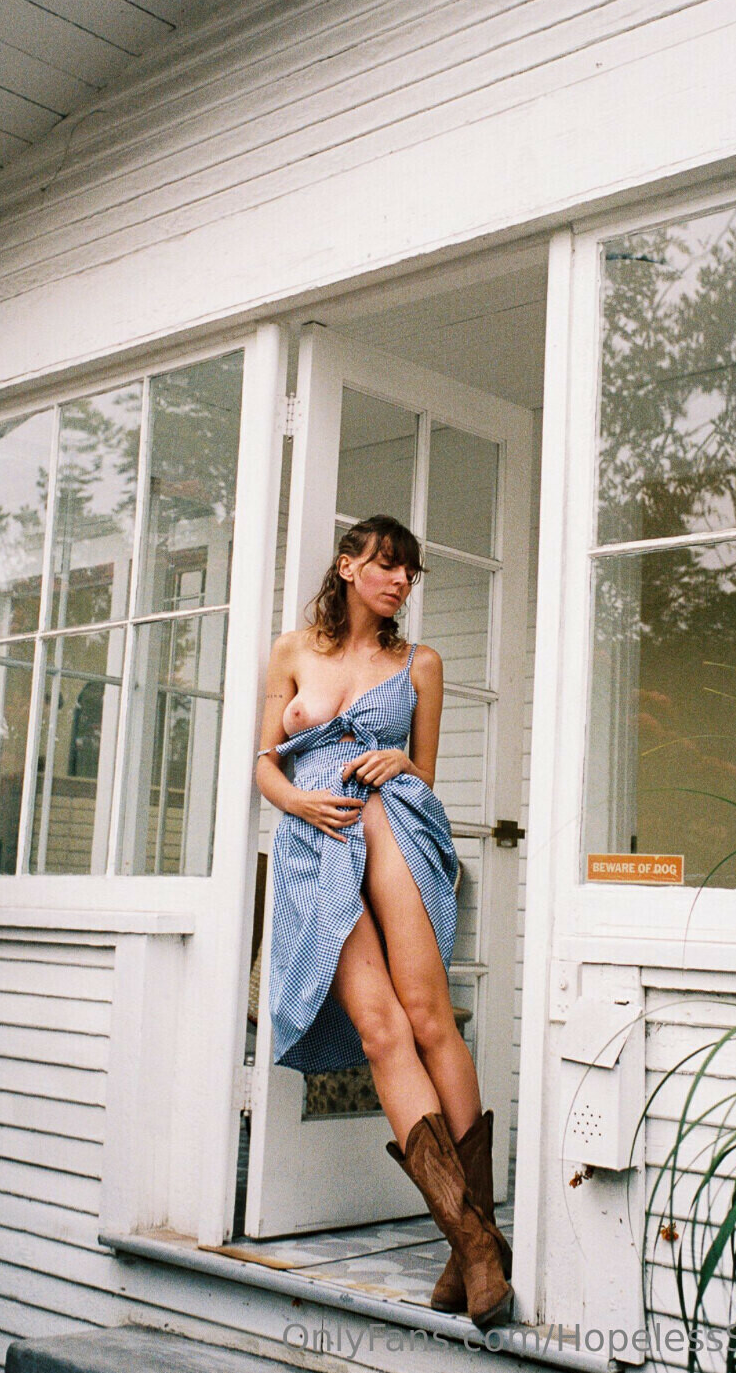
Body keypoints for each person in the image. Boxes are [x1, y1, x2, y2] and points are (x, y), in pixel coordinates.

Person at [255, 514, 513, 1329]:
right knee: (380, 1030)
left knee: (429, 1017)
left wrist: (401, 760)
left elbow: (424, 772)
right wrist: (298, 800)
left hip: (392, 829)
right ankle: (474, 1243)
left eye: (410, 571)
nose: (400, 581)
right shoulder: (292, 650)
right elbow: (265, 762)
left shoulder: (419, 663)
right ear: (348, 565)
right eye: (386, 565)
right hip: (314, 844)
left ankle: (472, 1250)